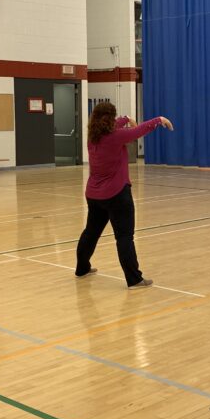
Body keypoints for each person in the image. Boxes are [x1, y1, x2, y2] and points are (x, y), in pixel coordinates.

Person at [75, 102, 173, 288]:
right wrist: (159, 120)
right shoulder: (116, 136)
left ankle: (82, 268)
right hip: (117, 194)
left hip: (94, 195)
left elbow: (118, 126)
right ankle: (134, 278)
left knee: (91, 232)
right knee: (124, 237)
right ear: (110, 118)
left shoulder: (92, 137)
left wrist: (126, 118)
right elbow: (140, 130)